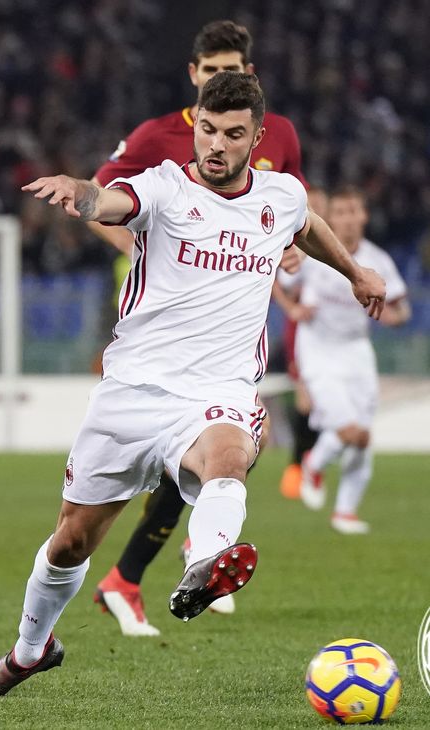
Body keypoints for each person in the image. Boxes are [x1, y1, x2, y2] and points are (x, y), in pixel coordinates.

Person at [0, 72, 386, 696]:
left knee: (230, 454)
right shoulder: (167, 187)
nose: (216, 144)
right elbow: (115, 202)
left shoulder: (279, 195)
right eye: (207, 129)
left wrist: (355, 270)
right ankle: (29, 650)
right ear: (195, 124)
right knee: (70, 541)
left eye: (233, 135)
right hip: (132, 393)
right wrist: (84, 195)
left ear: (256, 138)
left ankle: (205, 561)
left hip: (217, 391)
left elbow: (304, 223)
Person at [88, 20, 308, 637]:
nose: (219, 80)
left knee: (218, 451)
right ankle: (157, 564)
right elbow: (105, 198)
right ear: (193, 74)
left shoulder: (278, 138)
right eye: (209, 71)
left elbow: (291, 214)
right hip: (160, 318)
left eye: (230, 69)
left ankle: (154, 567)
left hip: (233, 326)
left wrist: (291, 249)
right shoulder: (157, 137)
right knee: (196, 452)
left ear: (250, 73)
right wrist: (133, 245)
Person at [295, 187, 409, 533]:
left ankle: (345, 511)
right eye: (339, 212)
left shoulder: (379, 259)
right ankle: (313, 463)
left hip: (357, 350)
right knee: (346, 429)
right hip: (317, 348)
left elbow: (401, 308)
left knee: (362, 436)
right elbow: (275, 283)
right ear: (331, 217)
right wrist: (293, 309)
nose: (346, 219)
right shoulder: (314, 253)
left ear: (364, 216)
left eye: (352, 211)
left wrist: (395, 317)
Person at [274, 186, 329, 500]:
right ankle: (297, 468)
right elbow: (278, 282)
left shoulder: (329, 248)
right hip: (303, 335)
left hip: (332, 341)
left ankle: (309, 466)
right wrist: (292, 308)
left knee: (324, 405)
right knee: (307, 402)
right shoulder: (296, 248)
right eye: (313, 206)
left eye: (322, 206)